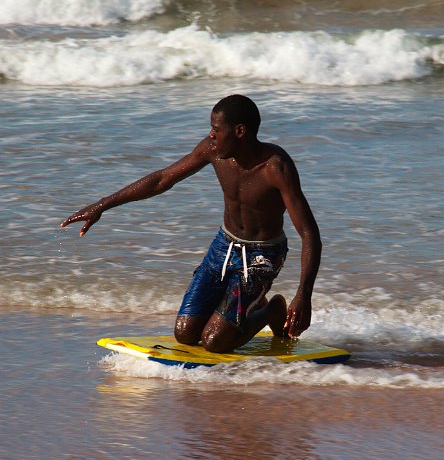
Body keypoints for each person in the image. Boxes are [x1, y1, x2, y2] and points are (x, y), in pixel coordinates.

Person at [61, 95, 322, 353]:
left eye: (217, 129)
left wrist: (303, 296)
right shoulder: (213, 152)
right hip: (225, 245)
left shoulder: (275, 167)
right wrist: (101, 205)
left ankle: (271, 309)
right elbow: (161, 180)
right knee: (185, 333)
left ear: (240, 131)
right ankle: (247, 302)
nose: (211, 135)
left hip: (262, 255)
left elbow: (309, 233)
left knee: (214, 341)